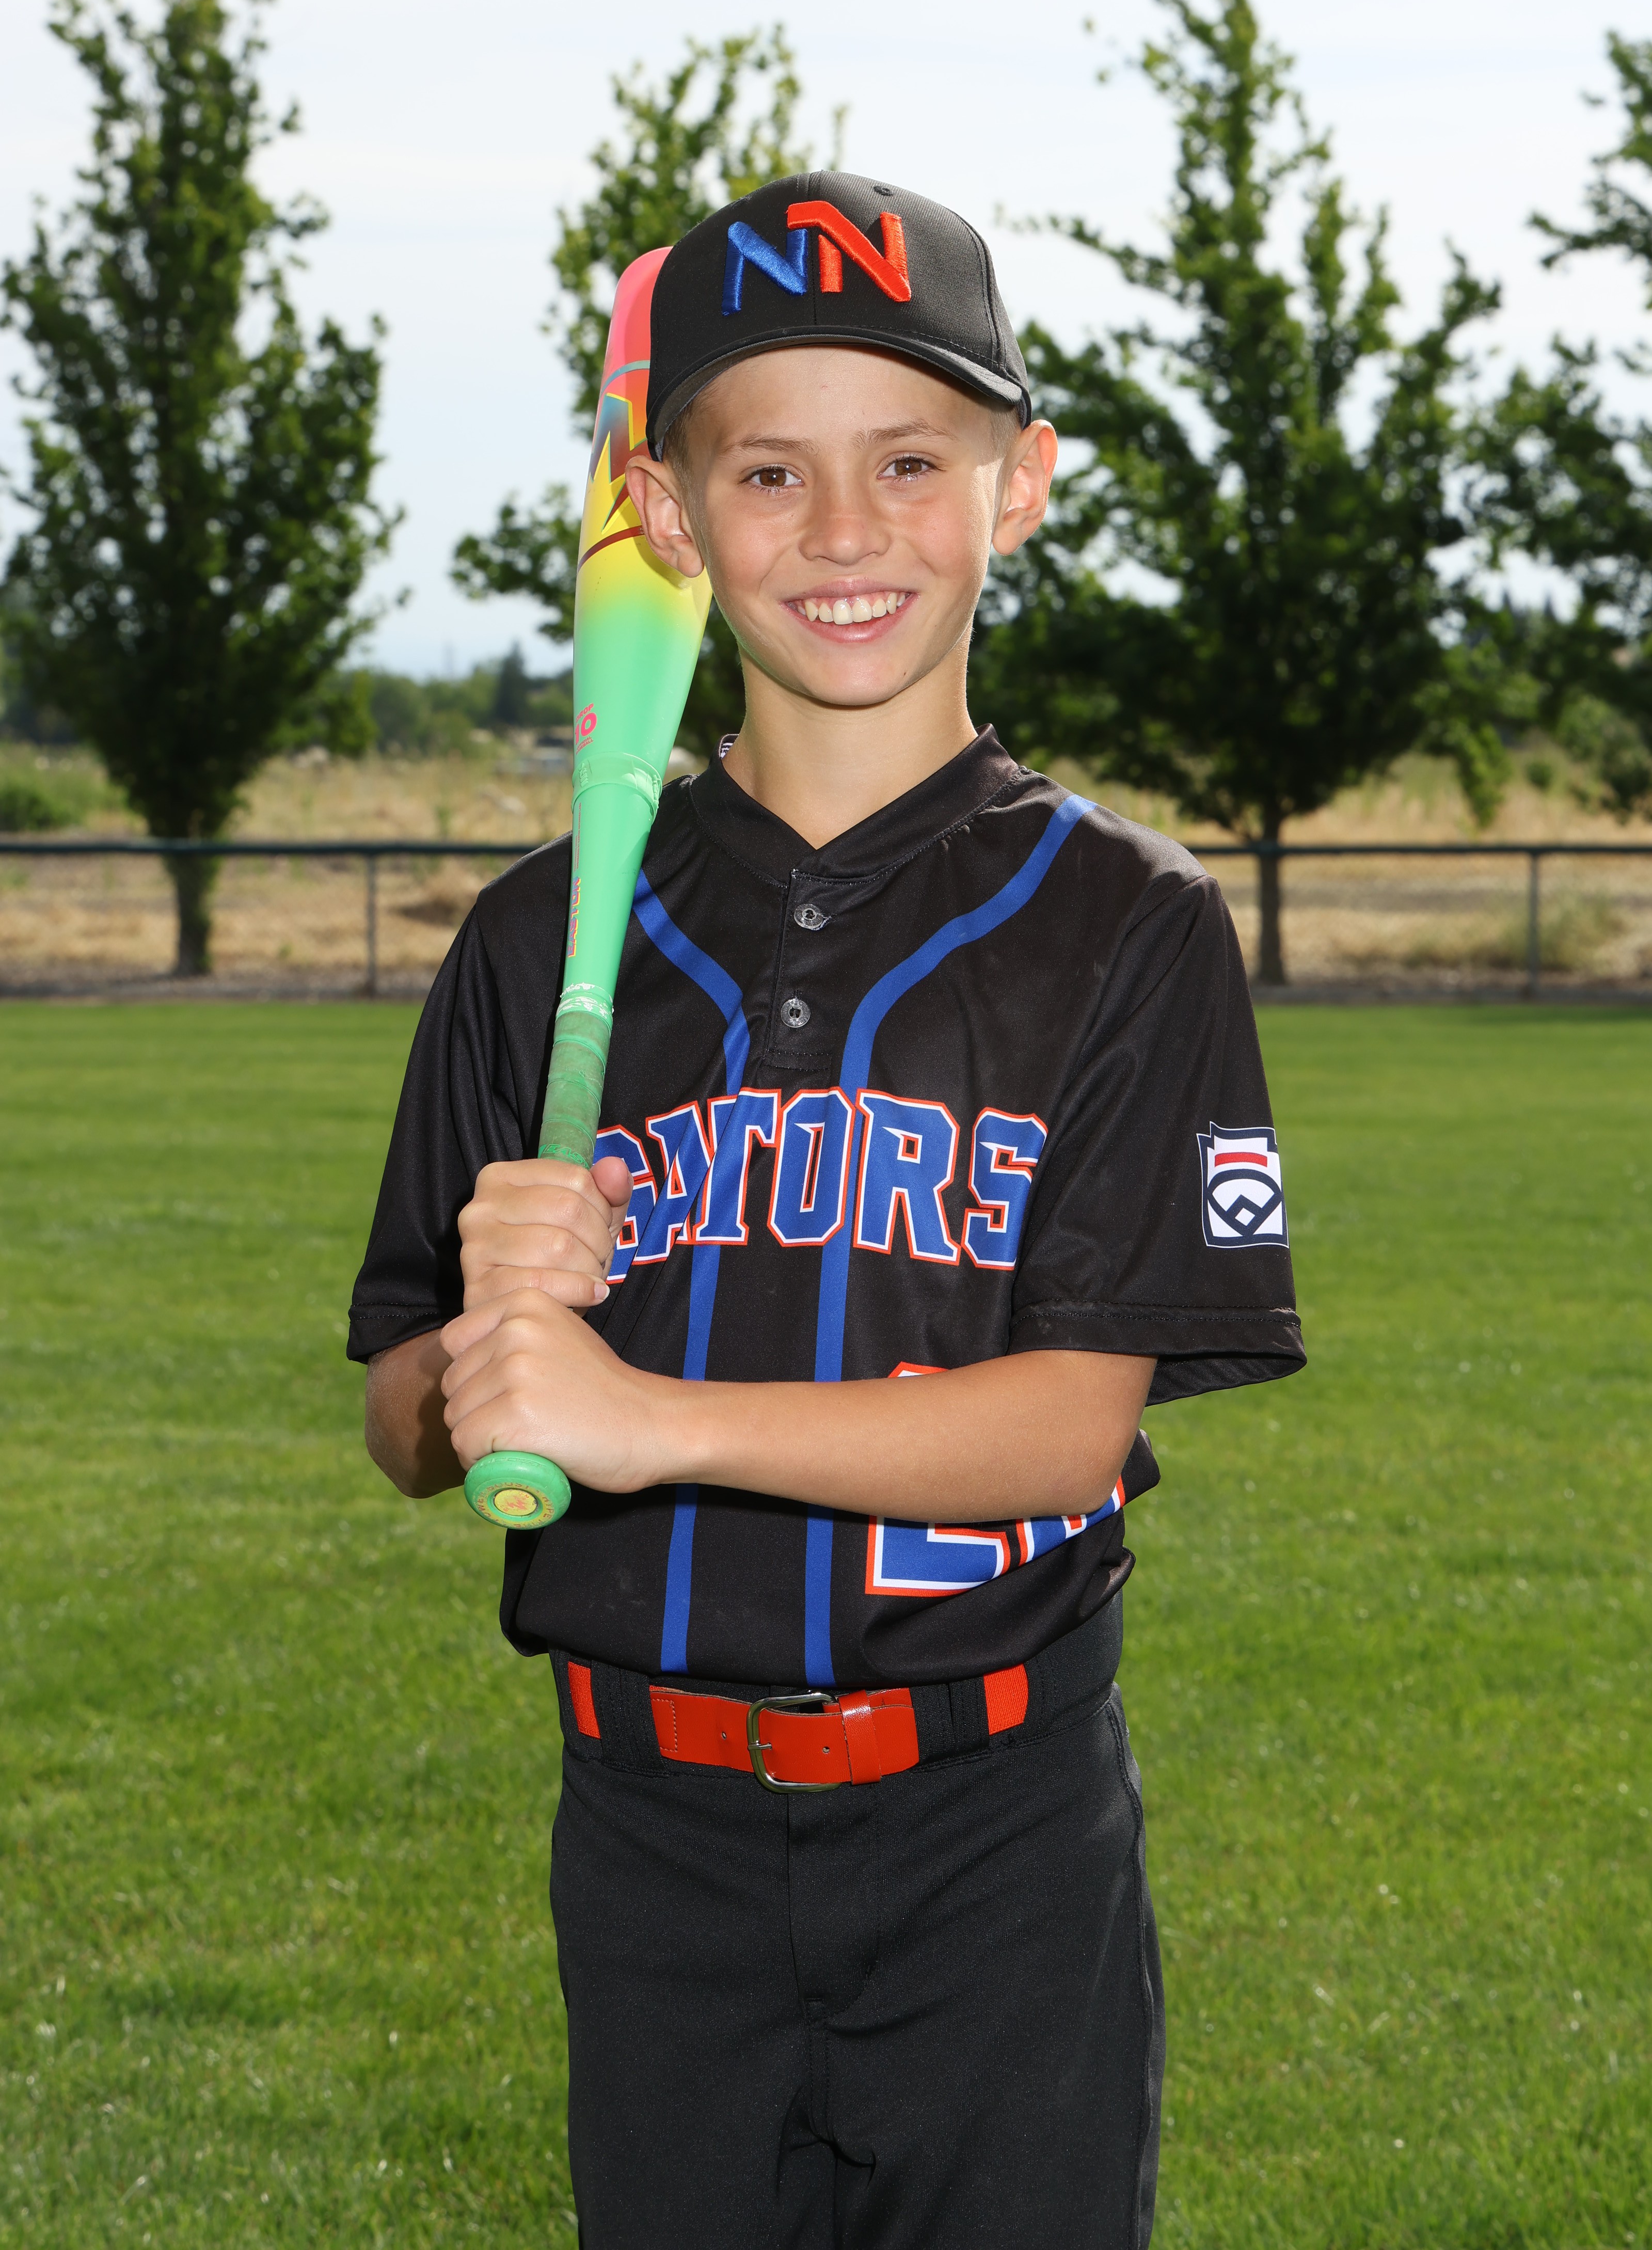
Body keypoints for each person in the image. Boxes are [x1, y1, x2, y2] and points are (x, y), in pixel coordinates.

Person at [350, 171, 1304, 2249]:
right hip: (647, 1833)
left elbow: (1064, 1427)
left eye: (911, 461)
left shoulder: (1125, 924)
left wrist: (640, 1414)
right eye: (768, 470)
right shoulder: (540, 940)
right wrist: (483, 1356)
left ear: (1020, 485)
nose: (846, 529)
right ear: (666, 516)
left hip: (996, 1832)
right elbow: (409, 1425)